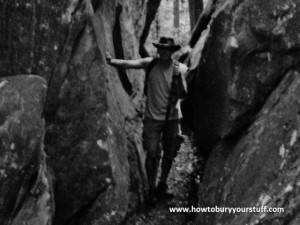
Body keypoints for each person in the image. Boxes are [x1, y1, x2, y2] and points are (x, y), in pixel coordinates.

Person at [106, 37, 188, 205]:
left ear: (172, 51)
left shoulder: (177, 68)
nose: (164, 52)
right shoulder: (150, 64)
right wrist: (110, 61)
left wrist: (178, 78)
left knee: (169, 153)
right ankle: (151, 187)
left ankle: (162, 184)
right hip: (152, 118)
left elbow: (183, 94)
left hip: (171, 119)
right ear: (158, 50)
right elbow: (129, 64)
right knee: (151, 152)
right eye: (162, 49)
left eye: (168, 49)